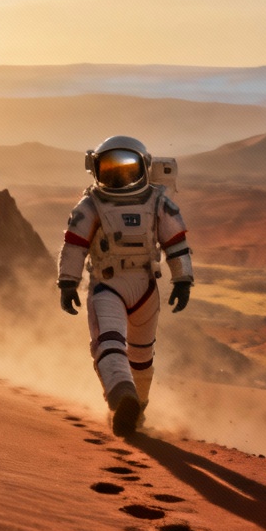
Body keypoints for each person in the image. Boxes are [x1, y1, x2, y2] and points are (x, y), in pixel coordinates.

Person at [56, 135, 194, 435]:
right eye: (111, 169)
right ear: (96, 168)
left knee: (118, 347)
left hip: (113, 287)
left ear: (144, 167)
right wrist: (183, 279)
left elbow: (74, 246)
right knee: (129, 350)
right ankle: (130, 402)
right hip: (135, 288)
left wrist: (68, 282)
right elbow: (74, 246)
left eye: (126, 169)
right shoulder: (154, 202)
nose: (119, 177)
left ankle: (128, 404)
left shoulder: (96, 204)